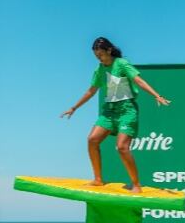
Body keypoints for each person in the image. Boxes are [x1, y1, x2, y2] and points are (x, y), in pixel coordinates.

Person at [61, 37, 171, 193]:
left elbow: (138, 81)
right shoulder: (99, 70)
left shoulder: (121, 64)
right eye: (96, 56)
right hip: (109, 111)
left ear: (109, 51)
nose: (99, 58)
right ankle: (98, 179)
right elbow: (91, 91)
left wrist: (156, 95)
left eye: (101, 55)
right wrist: (74, 108)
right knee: (92, 139)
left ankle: (136, 184)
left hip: (126, 110)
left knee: (122, 147)